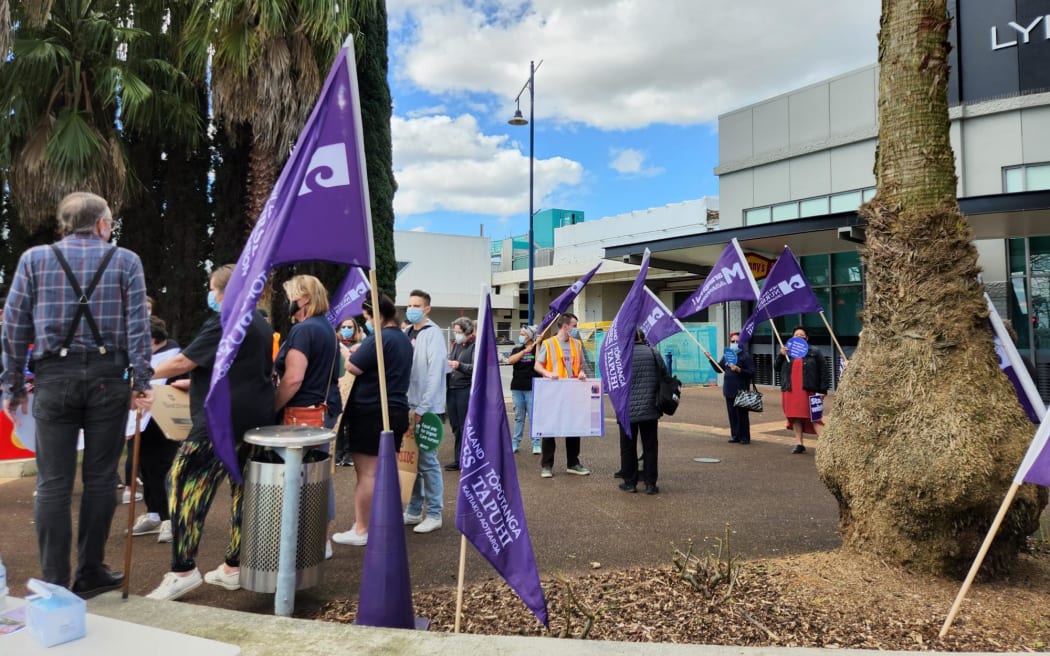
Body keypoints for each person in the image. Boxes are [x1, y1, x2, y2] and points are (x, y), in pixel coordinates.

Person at [1, 191, 154, 597]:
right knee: (102, 480)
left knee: (52, 483)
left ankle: (54, 580)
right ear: (103, 225)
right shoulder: (126, 261)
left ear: (64, 224)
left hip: (54, 378)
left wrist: (13, 384)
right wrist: (141, 380)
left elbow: (13, 328)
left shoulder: (34, 260)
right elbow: (139, 326)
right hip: (109, 378)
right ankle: (90, 572)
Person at [145, 264, 275, 601]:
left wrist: (140, 374)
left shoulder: (225, 318)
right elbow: (236, 365)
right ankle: (234, 566)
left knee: (183, 482)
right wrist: (197, 379)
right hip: (255, 419)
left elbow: (181, 362)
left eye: (212, 289)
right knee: (242, 491)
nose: (211, 295)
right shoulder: (259, 320)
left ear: (223, 292)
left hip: (219, 421)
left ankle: (183, 569)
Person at [331, 294, 412, 547]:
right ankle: (390, 521)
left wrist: (346, 351)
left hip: (371, 410)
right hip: (396, 408)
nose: (364, 322)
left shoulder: (380, 338)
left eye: (366, 317)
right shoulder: (403, 339)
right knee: (389, 469)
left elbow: (353, 367)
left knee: (366, 473)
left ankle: (362, 528)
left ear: (375, 315)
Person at [129, 317, 183, 543]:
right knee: (142, 466)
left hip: (162, 422)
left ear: (151, 339)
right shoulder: (141, 356)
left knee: (162, 469)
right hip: (138, 420)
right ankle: (153, 513)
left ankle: (170, 519)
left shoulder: (176, 356)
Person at [402, 289, 447, 534]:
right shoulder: (406, 332)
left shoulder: (433, 334)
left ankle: (434, 512)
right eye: (409, 304)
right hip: (409, 405)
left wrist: (423, 407)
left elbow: (434, 373)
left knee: (428, 462)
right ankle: (414, 508)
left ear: (427, 309)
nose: (412, 308)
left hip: (428, 409)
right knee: (412, 462)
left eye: (417, 305)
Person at [274, 275, 340, 427]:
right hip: (323, 409)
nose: (288, 301)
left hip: (302, 413)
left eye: (291, 296)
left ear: (306, 298)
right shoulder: (327, 328)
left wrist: (272, 407)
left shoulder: (304, 330)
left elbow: (293, 379)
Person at [533, 313, 591, 478]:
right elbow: (538, 365)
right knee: (549, 427)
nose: (575, 329)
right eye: (574, 325)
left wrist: (580, 373)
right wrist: (548, 373)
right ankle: (547, 465)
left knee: (573, 427)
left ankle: (573, 462)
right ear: (565, 326)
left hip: (571, 391)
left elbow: (580, 365)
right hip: (553, 391)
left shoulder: (577, 344)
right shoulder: (548, 343)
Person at [617, 330, 664, 495]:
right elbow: (663, 375)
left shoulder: (620, 356)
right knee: (650, 447)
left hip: (626, 411)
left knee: (628, 447)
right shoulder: (653, 352)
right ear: (642, 337)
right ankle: (651, 484)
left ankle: (630, 483)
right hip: (650, 408)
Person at [775, 326, 829, 454]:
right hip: (791, 390)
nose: (799, 337)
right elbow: (776, 368)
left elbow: (824, 371)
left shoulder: (815, 351)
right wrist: (781, 355)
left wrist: (823, 390)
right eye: (796, 335)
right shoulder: (787, 352)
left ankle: (825, 445)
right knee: (794, 417)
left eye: (802, 335)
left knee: (815, 417)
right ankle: (799, 443)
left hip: (809, 389)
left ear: (807, 338)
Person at [444, 317, 476, 471]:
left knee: (464, 426)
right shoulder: (456, 345)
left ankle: (467, 460)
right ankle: (459, 459)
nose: (456, 335)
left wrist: (459, 365)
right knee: (455, 426)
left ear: (468, 332)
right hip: (452, 388)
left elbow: (476, 368)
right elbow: (450, 359)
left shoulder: (475, 345)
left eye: (459, 332)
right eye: (455, 332)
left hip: (465, 388)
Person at [713, 331, 755, 445]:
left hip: (741, 389)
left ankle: (744, 437)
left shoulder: (745, 355)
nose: (735, 343)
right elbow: (719, 368)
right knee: (732, 414)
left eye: (737, 341)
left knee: (742, 415)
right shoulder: (727, 355)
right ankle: (735, 435)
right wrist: (711, 359)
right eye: (733, 341)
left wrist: (739, 370)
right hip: (729, 389)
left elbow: (751, 372)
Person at [507, 324, 541, 454]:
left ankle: (536, 443)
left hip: (531, 387)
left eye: (524, 334)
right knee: (519, 417)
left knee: (533, 417)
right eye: (521, 334)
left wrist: (537, 345)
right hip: (517, 388)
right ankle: (515, 442)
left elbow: (538, 362)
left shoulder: (537, 349)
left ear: (531, 336)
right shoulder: (517, 349)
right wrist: (523, 352)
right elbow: (510, 361)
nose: (521, 336)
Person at [334, 319, 362, 467]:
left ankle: (349, 453)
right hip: (337, 388)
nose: (346, 329)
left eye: (349, 327)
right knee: (339, 421)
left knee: (352, 423)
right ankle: (338, 453)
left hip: (354, 388)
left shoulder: (360, 346)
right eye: (344, 327)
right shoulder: (335, 345)